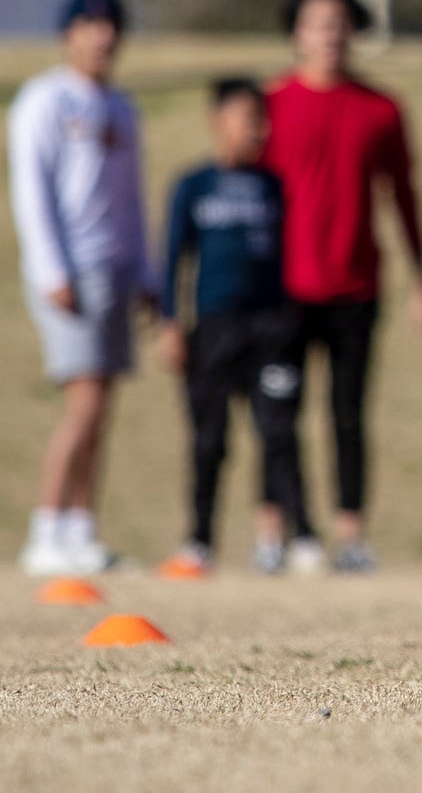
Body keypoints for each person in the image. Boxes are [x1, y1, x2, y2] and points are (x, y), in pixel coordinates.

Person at [262, 0, 422, 575]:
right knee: (278, 412)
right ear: (297, 33)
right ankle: (278, 531)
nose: (329, 35)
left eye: (339, 23)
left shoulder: (381, 109)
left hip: (356, 286)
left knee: (348, 413)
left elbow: (405, 198)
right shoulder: (271, 105)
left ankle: (351, 533)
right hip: (283, 287)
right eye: (317, 23)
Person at [10, 0, 155, 579]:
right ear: (68, 34)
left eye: (111, 26)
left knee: (104, 407)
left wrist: (146, 272)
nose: (102, 37)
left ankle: (81, 530)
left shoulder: (120, 109)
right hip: (72, 267)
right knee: (83, 400)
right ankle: (46, 527)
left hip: (117, 266)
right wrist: (51, 268)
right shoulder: (46, 100)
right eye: (90, 25)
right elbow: (32, 189)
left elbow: (131, 199)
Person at [155, 76, 308, 578]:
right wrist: (171, 324)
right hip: (213, 329)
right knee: (208, 440)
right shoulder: (193, 185)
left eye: (263, 120)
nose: (259, 130)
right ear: (218, 120)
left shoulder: (275, 187)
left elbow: (292, 257)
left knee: (277, 432)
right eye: (248, 119)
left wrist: (292, 319)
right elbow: (173, 258)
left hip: (270, 328)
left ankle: (277, 540)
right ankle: (200, 540)